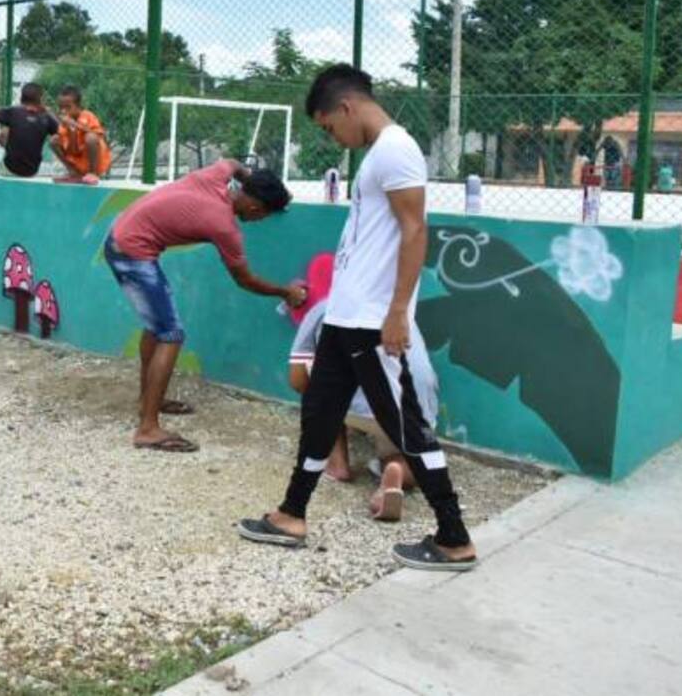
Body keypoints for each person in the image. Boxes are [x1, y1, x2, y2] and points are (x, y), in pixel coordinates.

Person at [237, 64, 477, 572]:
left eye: (328, 126)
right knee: (319, 415)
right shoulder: (377, 157)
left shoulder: (395, 149)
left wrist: (396, 315)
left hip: (373, 322)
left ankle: (454, 537)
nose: (333, 137)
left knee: (408, 429)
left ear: (346, 107)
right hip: (346, 320)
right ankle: (291, 514)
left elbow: (416, 232)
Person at [105, 161, 305, 452]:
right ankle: (147, 428)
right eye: (264, 215)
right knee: (170, 335)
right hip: (131, 252)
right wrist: (285, 292)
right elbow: (245, 280)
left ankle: (149, 399)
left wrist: (252, 179)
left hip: (122, 236)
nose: (260, 221)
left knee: (157, 327)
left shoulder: (216, 177)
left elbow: (233, 163)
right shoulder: (223, 225)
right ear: (255, 208)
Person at [289, 292, 439, 522]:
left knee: (322, 387)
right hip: (415, 407)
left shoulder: (325, 308)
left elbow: (298, 379)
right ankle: (396, 471)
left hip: (361, 403)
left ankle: (337, 464)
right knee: (405, 454)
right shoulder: (401, 313)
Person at [51, 84, 112, 184]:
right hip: (79, 162)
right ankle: (73, 172)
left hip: (97, 163)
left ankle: (93, 173)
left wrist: (75, 125)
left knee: (91, 137)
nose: (63, 111)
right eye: (61, 107)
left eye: (67, 107)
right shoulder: (64, 125)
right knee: (54, 140)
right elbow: (73, 152)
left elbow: (98, 137)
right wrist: (72, 131)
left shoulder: (88, 115)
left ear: (78, 105)